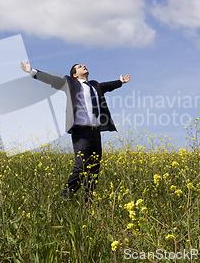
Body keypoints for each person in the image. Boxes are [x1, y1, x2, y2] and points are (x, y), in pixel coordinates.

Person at [20, 61, 130, 201]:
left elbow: (108, 86)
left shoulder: (95, 85)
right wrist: (32, 72)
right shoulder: (70, 83)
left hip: (95, 132)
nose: (83, 66)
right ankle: (65, 198)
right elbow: (53, 80)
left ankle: (88, 201)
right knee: (81, 166)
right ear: (75, 75)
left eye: (83, 65)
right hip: (80, 132)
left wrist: (120, 81)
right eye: (79, 67)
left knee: (94, 169)